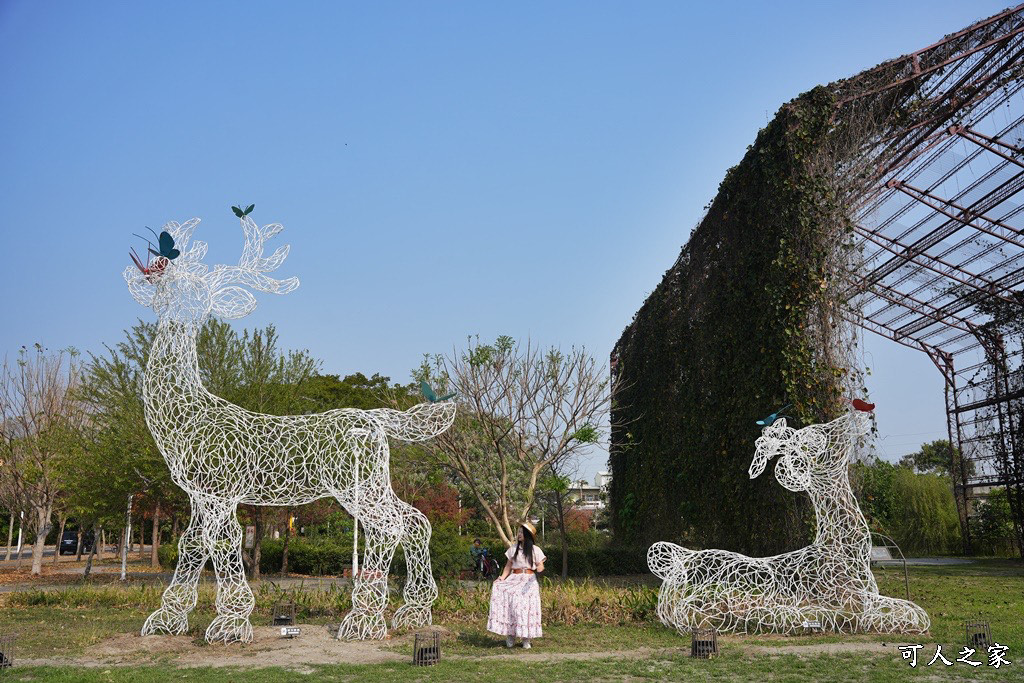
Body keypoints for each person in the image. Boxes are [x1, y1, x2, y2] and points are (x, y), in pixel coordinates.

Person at [487, 521, 545, 649]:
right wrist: (502, 578)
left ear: (528, 535)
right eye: (518, 532)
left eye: (521, 532)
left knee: (526, 608)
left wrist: (540, 569)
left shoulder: (535, 550)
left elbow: (540, 565)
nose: (519, 534)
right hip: (514, 578)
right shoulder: (513, 549)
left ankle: (526, 638)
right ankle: (511, 635)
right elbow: (508, 566)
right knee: (513, 607)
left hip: (529, 580)